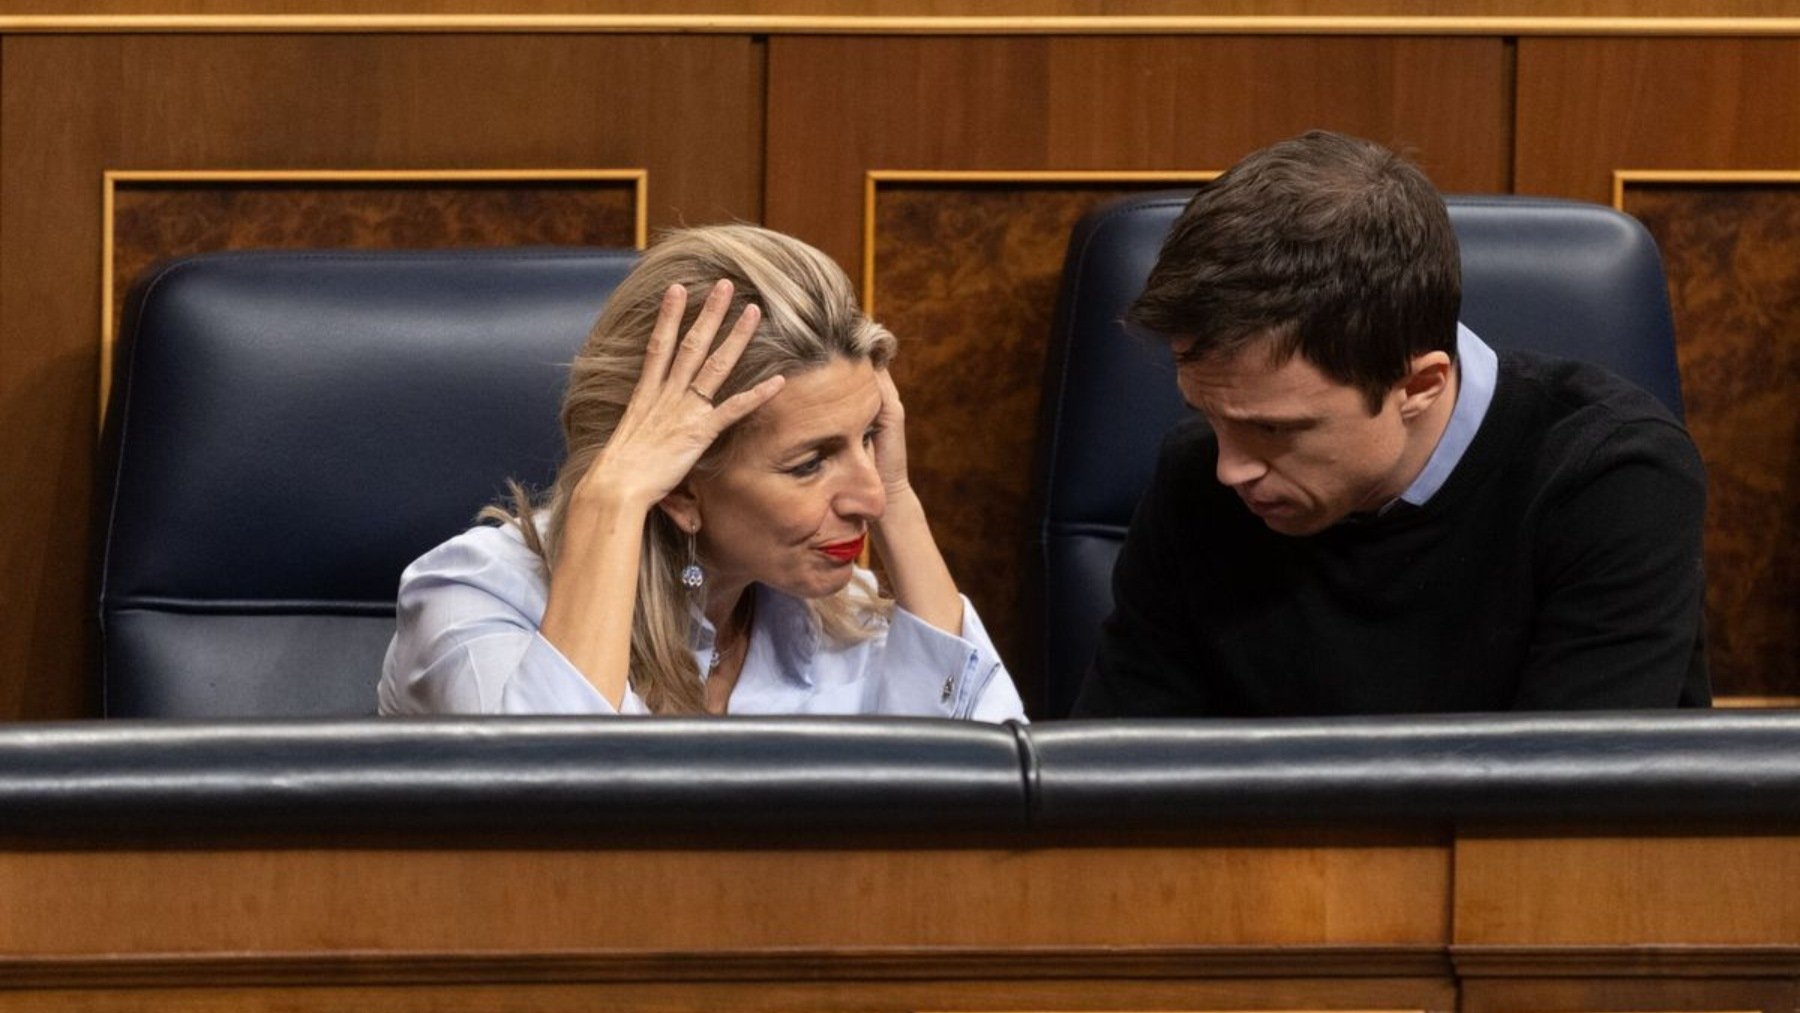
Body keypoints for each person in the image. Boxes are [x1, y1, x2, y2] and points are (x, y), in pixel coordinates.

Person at [1072, 130, 1710, 717]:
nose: (1229, 468)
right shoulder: (1194, 482)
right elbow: (1116, 783)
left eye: (1275, 430)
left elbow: (1572, 806)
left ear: (1419, 385)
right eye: (1208, 415)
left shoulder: (1612, 480)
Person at [380, 225, 1025, 720]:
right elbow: (556, 815)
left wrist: (900, 497)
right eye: (810, 463)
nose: (865, 501)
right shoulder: (472, 599)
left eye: (868, 439)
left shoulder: (827, 608)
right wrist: (612, 497)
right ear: (681, 487)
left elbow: (980, 786)